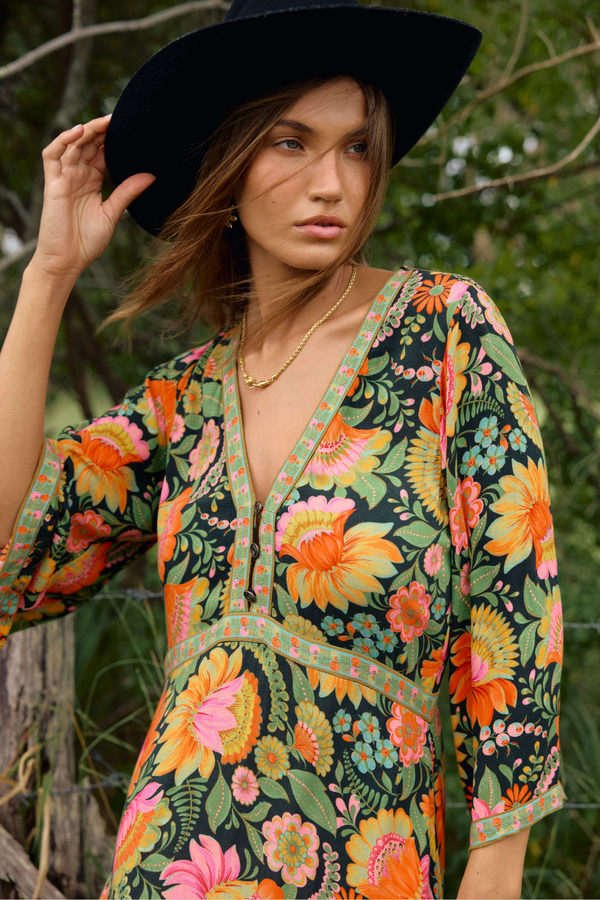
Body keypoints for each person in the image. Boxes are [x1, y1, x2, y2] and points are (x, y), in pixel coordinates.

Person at [0, 0, 565, 897]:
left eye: (356, 148)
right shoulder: (182, 403)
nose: (334, 184)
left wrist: (492, 874)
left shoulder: (445, 333)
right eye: (292, 142)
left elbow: (514, 627)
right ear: (225, 162)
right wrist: (49, 276)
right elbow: (9, 551)